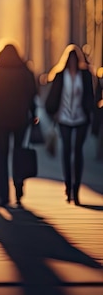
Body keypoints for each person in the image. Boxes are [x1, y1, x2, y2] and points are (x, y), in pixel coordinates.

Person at [0, 41, 38, 208]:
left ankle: (3, 195)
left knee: (2, 155)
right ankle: (19, 189)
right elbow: (32, 94)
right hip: (20, 118)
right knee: (18, 152)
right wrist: (33, 114)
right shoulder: (24, 70)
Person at [44, 45, 95, 205]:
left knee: (78, 151)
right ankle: (68, 186)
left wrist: (90, 111)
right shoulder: (60, 75)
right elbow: (53, 96)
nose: (73, 63)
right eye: (70, 60)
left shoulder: (85, 76)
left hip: (81, 118)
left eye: (75, 60)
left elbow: (91, 95)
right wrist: (53, 112)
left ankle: (76, 187)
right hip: (64, 117)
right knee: (66, 150)